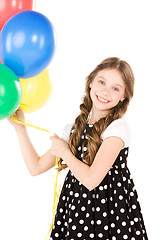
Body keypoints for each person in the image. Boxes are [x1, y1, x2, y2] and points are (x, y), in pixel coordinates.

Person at [9, 57, 148, 239]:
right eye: (101, 82)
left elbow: (91, 180)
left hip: (111, 212)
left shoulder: (117, 128)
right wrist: (21, 128)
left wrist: (64, 152)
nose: (105, 91)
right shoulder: (74, 128)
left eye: (115, 88)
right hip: (78, 210)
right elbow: (36, 167)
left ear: (123, 96)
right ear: (90, 82)